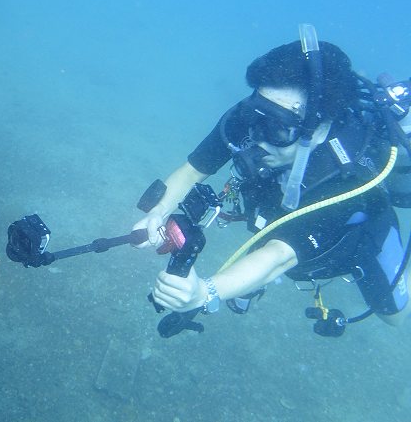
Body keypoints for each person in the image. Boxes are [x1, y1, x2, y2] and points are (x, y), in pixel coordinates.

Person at [134, 39, 411, 329]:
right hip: (280, 208)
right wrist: (157, 212)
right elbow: (192, 171)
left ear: (320, 128)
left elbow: (278, 255)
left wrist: (205, 292)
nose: (257, 136)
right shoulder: (257, 116)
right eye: (256, 116)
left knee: (393, 314)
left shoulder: (346, 181)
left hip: (351, 234)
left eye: (278, 127)